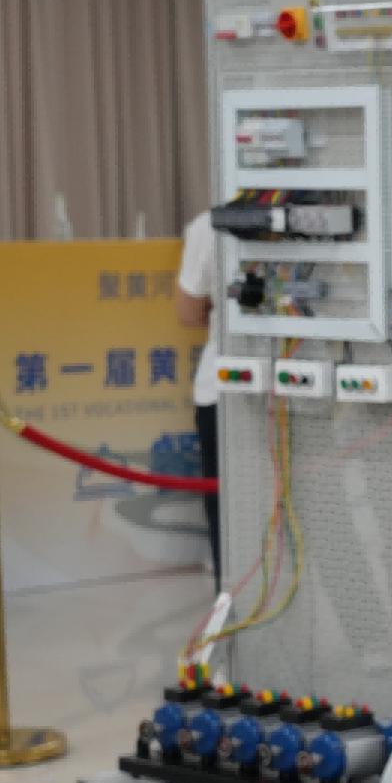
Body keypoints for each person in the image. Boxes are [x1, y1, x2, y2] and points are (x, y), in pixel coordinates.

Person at [175, 210, 222, 588]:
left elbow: (188, 310)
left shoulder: (210, 225)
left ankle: (232, 603)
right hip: (304, 386)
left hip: (223, 387)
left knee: (227, 513)